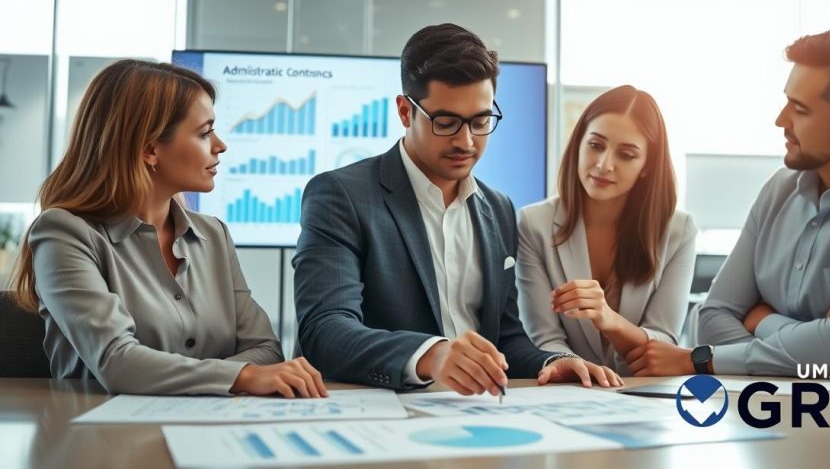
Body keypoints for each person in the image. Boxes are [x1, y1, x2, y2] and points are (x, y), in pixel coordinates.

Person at [293, 23, 622, 395]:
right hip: (375, 413)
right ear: (405, 111)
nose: (465, 141)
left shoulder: (497, 208)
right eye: (445, 122)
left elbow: (506, 337)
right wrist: (431, 355)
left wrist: (551, 362)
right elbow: (324, 330)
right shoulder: (340, 195)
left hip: (472, 415)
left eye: (481, 121)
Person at [624, 25, 830, 377]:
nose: (780, 120)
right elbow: (710, 317)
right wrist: (813, 344)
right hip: (781, 411)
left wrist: (760, 324)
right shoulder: (780, 189)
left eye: (799, 109)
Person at [10, 59, 326, 397]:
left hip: (209, 433)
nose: (220, 145)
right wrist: (243, 376)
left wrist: (235, 374)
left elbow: (266, 349)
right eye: (205, 133)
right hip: (102, 439)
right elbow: (118, 363)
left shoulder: (214, 234)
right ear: (149, 149)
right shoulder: (63, 233)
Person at [516, 85, 696, 376]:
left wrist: (608, 319)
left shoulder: (679, 231)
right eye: (596, 145)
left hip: (643, 393)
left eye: (626, 155)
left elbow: (665, 341)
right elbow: (544, 337)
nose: (603, 165)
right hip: (569, 389)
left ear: (646, 166)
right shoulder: (533, 223)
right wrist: (579, 370)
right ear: (579, 144)